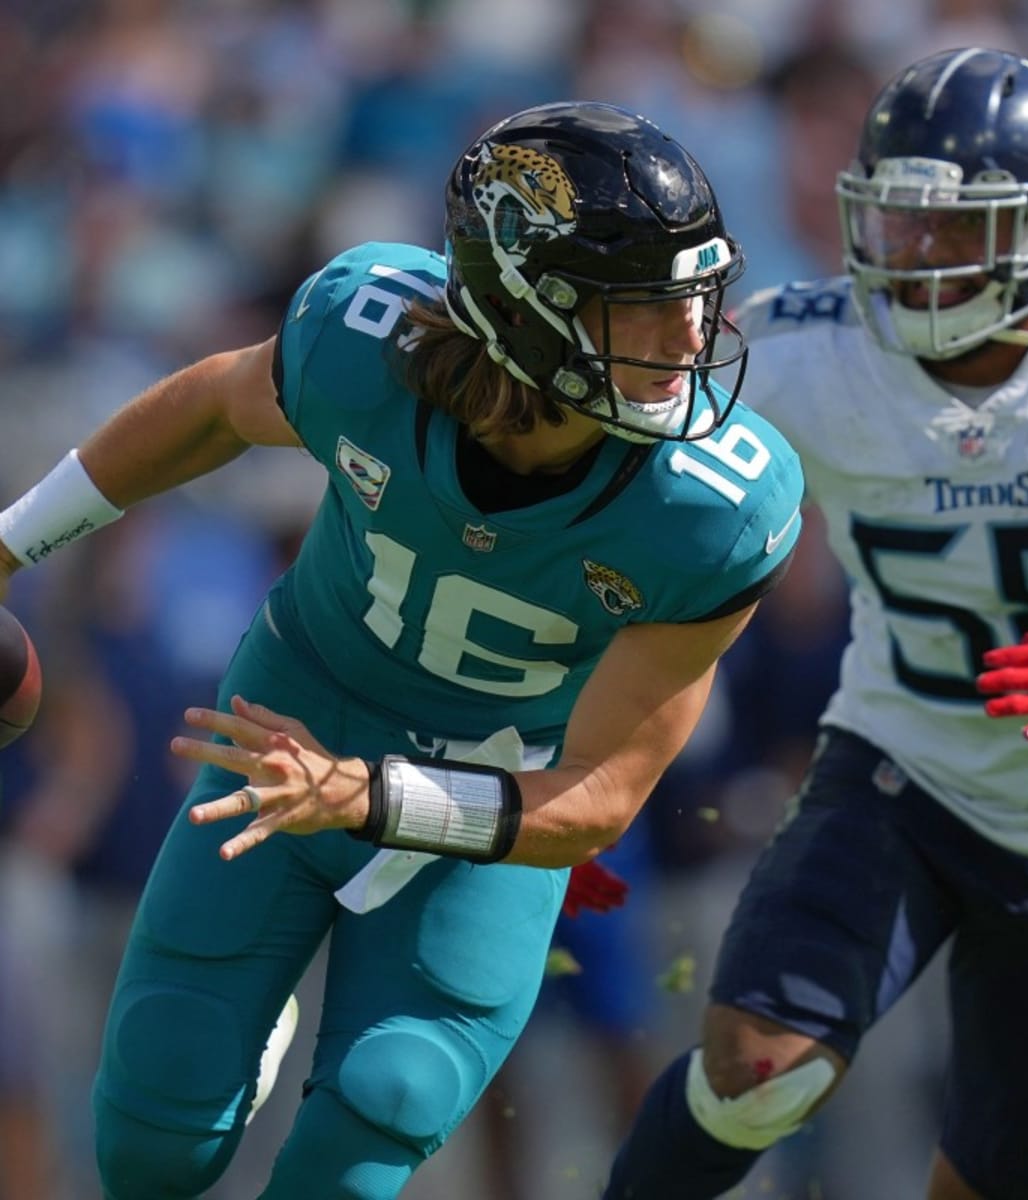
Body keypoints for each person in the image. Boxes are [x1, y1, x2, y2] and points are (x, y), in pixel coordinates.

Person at [0, 100, 803, 1200]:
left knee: (389, 1103)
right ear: (528, 312)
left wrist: (371, 795)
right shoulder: (365, 343)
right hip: (301, 709)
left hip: (499, 784)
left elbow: (602, 796)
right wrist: (8, 547)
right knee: (156, 1123)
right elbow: (215, 408)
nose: (693, 341)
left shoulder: (711, 508)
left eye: (696, 300)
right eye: (648, 310)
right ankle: (246, 1028)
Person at [602, 46, 1028, 1200]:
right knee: (756, 1070)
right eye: (896, 224)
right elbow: (590, 511)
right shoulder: (803, 351)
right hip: (900, 774)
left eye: (952, 229)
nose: (912, 260)